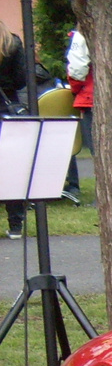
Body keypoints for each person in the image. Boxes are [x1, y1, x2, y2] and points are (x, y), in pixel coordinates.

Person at [2, 19, 28, 237]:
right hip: (7, 109)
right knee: (11, 167)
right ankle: (16, 224)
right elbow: (21, 80)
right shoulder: (12, 43)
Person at [65, 28, 92, 200]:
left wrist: (76, 90)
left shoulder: (81, 36)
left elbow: (77, 70)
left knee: (100, 151)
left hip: (92, 96)